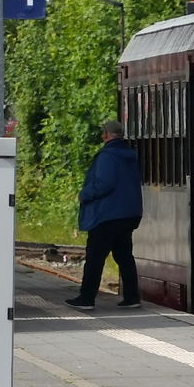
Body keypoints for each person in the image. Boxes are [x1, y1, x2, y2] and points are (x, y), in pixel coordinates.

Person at [66, 119, 142, 311]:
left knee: (95, 256)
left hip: (108, 215)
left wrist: (85, 194)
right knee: (124, 256)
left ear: (106, 135)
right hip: (128, 214)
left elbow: (104, 183)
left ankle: (86, 298)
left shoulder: (108, 155)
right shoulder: (129, 154)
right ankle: (132, 297)